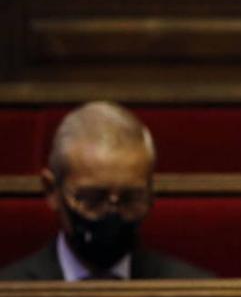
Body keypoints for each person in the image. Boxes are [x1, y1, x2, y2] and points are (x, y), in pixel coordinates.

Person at [0, 101, 212, 281]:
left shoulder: (192, 288)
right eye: (93, 199)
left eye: (130, 198)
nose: (112, 214)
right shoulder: (9, 289)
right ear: (52, 191)